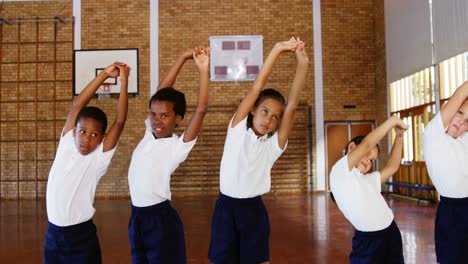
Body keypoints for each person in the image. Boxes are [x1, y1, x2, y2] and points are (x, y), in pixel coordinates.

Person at [208, 37, 308, 264]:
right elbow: (256, 87)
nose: (268, 119)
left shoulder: (273, 146)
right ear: (253, 109)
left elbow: (291, 107)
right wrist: (277, 49)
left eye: (275, 117)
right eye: (264, 111)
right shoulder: (236, 130)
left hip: (253, 210)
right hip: (225, 208)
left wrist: (303, 64)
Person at [127, 46, 209, 263]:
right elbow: (161, 92)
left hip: (160, 220)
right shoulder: (149, 133)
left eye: (164, 115)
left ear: (178, 118)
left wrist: (203, 70)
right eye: (153, 114)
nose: (157, 120)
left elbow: (201, 109)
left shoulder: (177, 147)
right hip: (137, 217)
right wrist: (182, 56)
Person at [44, 62, 130, 263]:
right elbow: (77, 104)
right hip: (53, 235)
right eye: (83, 132)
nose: (86, 139)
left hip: (81, 238)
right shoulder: (66, 144)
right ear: (74, 130)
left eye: (94, 135)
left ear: (102, 138)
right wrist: (104, 75)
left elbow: (120, 122)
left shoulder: (99, 158)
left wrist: (124, 81)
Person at [330, 115, 408, 264]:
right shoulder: (340, 171)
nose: (368, 161)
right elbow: (366, 144)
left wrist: (399, 137)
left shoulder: (368, 179)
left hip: (391, 232)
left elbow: (392, 167)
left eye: (372, 161)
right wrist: (392, 122)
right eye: (367, 155)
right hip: (368, 240)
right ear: (352, 147)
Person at [423, 82, 468, 264]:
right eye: (459, 113)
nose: (461, 122)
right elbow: (460, 94)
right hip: (452, 213)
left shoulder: (464, 140)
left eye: (467, 122)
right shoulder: (433, 135)